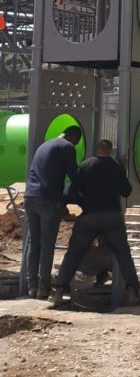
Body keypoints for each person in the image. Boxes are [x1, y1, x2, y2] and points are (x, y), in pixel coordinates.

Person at [52, 139, 140, 307]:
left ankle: (59, 293)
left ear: (96, 149)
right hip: (112, 217)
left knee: (73, 254)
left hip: (89, 217)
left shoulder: (86, 165)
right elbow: (127, 191)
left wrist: (84, 204)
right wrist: (123, 169)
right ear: (111, 150)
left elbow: (72, 193)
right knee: (123, 254)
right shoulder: (116, 166)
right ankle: (132, 293)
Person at [24, 125, 82, 299]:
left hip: (30, 197)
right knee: (47, 245)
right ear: (74, 137)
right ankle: (44, 288)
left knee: (33, 244)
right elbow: (74, 174)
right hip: (48, 200)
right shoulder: (67, 147)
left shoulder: (44, 145)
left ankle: (32, 287)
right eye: (77, 142)